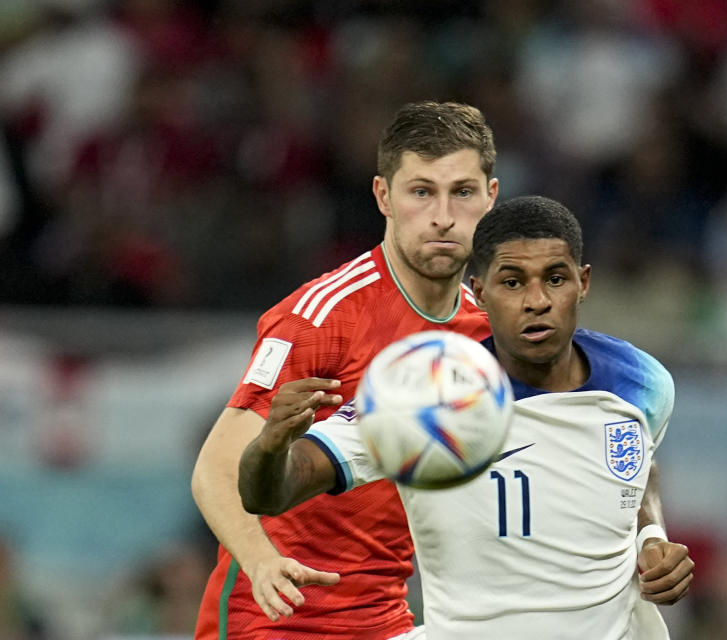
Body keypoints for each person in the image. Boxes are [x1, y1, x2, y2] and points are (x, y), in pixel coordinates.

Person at [238, 195, 695, 639]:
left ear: (584, 282)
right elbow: (270, 493)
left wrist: (651, 537)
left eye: (555, 279)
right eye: (513, 282)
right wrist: (272, 444)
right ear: (479, 291)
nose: (536, 300)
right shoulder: (423, 397)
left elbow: (633, 466)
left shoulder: (642, 383)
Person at [191, 101, 499, 639]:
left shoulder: (485, 334)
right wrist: (262, 561)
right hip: (273, 620)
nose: (443, 216)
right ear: (383, 195)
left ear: (490, 198)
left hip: (386, 619)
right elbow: (214, 470)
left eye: (463, 192)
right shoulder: (321, 317)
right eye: (421, 191)